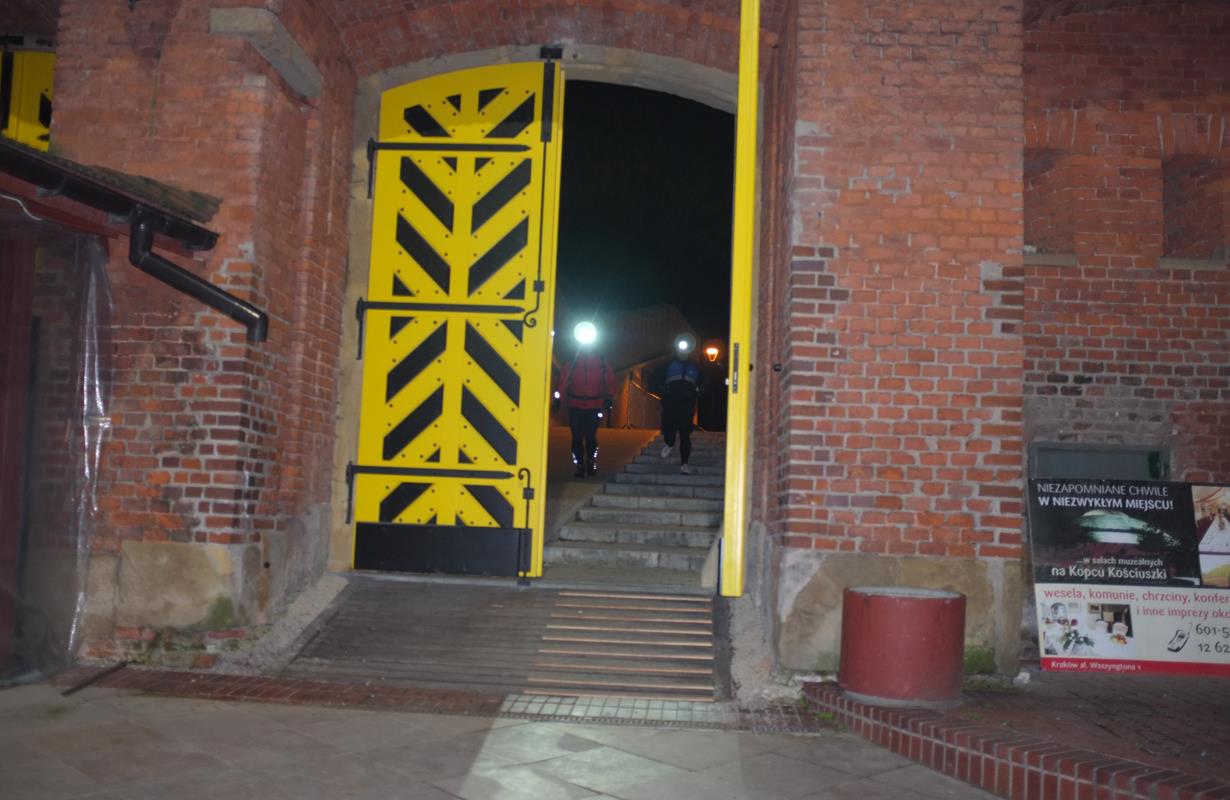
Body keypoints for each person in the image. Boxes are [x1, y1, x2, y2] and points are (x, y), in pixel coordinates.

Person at [556, 321, 617, 477]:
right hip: (575, 405)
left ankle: (591, 462)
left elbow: (610, 380)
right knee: (576, 438)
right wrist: (558, 398)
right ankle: (579, 465)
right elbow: (563, 381)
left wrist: (610, 397)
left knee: (590, 437)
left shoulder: (601, 361)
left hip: (594, 406)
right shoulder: (573, 361)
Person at [651, 332, 703, 474]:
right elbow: (654, 381)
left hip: (687, 404)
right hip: (670, 403)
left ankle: (684, 464)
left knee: (685, 434)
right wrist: (663, 392)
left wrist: (698, 393)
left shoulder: (695, 367)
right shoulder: (667, 365)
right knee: (669, 428)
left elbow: (703, 382)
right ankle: (669, 443)